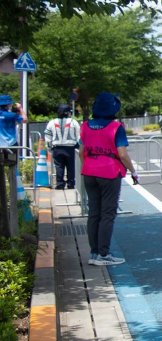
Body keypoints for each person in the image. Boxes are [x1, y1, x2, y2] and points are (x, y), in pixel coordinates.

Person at [80, 92, 139, 266]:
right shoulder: (116, 127)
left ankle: (94, 253)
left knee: (94, 213)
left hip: (89, 172)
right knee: (107, 214)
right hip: (110, 172)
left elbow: (80, 152)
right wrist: (133, 172)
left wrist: (88, 165)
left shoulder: (85, 126)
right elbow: (123, 155)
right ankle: (104, 254)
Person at [44, 104, 81, 189]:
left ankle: (60, 184)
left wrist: (49, 148)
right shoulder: (73, 122)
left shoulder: (52, 122)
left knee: (59, 166)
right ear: (68, 113)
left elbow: (48, 136)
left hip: (57, 148)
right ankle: (71, 184)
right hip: (71, 148)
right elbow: (79, 136)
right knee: (71, 167)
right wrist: (79, 147)